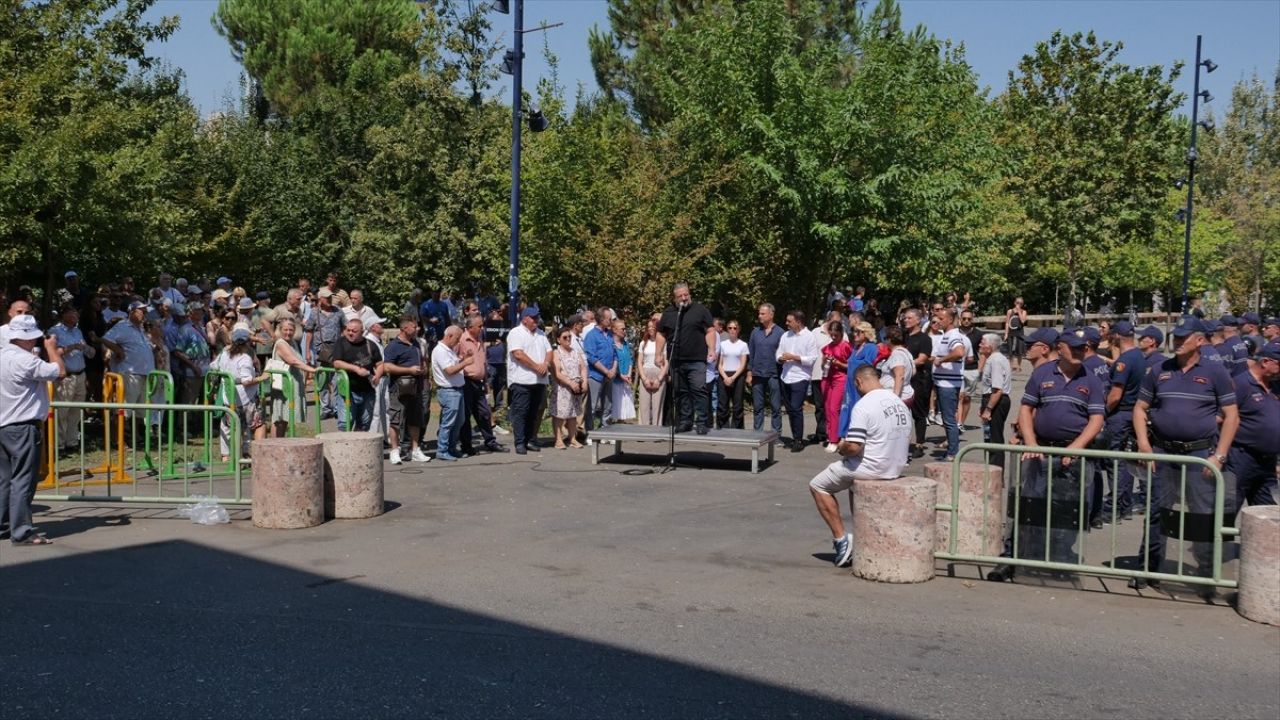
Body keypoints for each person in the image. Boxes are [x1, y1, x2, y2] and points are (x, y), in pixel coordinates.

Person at [1129, 319, 1238, 590]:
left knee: (1202, 514)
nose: (1177, 342)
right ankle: (1149, 567)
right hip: (1163, 454)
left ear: (1199, 341)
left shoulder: (1215, 372)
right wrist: (1144, 444)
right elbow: (1140, 408)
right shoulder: (1158, 370)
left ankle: (1205, 572)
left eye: (1183, 338)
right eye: (1175, 338)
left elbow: (1232, 416)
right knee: (1157, 511)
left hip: (1199, 456)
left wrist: (1219, 455)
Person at [987, 332, 1104, 582]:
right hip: (1040, 451)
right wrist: (1030, 442)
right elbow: (1027, 409)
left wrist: (1076, 447)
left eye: (1082, 348)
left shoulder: (1091, 380)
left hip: (1072, 456)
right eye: (1073, 348)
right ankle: (1013, 556)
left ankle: (1059, 558)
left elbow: (1096, 419)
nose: (1080, 352)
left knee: (1068, 509)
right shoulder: (1042, 374)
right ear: (1060, 348)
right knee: (1028, 504)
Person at [808, 365, 912, 567]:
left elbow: (854, 447)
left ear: (858, 382)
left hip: (872, 466)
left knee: (818, 485)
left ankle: (841, 539)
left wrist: (840, 446)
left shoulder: (864, 405)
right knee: (853, 484)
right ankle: (865, 536)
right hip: (896, 464)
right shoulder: (897, 401)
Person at [0, 316, 66, 545]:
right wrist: (51, 348)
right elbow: (59, 372)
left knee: (5, 479)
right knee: (23, 480)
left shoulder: (3, 355)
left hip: (4, 424)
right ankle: (22, 531)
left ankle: (4, 525)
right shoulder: (26, 360)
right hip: (23, 425)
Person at [1098, 321, 1145, 520]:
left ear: (1117, 335)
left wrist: (1103, 413)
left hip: (1119, 414)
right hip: (1130, 413)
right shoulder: (1139, 356)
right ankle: (1124, 506)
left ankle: (1113, 508)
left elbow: (1116, 394)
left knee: (1114, 461)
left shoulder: (1124, 361)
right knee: (1123, 461)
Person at [656, 283, 717, 434]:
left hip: (696, 359)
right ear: (674, 298)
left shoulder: (700, 310)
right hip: (676, 360)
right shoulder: (669, 313)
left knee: (698, 390)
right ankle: (685, 421)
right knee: (681, 392)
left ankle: (702, 422)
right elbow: (661, 334)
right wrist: (658, 353)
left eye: (686, 294)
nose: (684, 298)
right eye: (680, 296)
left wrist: (711, 348)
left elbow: (710, 330)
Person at [1226, 342, 1278, 515]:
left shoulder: (1274, 386)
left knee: (1270, 513)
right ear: (1265, 362)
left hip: (1267, 462)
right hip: (1241, 459)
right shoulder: (1240, 384)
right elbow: (1222, 419)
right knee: (1228, 509)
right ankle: (1221, 542)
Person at [210, 327, 267, 461]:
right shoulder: (245, 358)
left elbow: (213, 366)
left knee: (227, 426)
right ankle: (247, 455)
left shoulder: (224, 354)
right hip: (245, 397)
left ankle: (226, 456)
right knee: (250, 425)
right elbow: (247, 380)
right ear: (248, 342)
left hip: (228, 396)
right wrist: (262, 377)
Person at [100, 300, 156, 432]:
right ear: (132, 312)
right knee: (124, 409)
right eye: (142, 311)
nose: (145, 313)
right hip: (130, 373)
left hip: (144, 373)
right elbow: (106, 339)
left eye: (145, 311)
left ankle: (135, 437)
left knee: (140, 410)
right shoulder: (123, 326)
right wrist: (118, 350)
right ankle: (120, 439)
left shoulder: (141, 329)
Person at [382, 315, 432, 464]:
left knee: (415, 419)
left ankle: (415, 449)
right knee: (396, 420)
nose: (417, 329)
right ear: (404, 328)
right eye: (414, 326)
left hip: (416, 388)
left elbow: (422, 361)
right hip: (398, 389)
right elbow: (387, 367)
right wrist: (408, 370)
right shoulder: (393, 346)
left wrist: (422, 372)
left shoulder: (416, 343)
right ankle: (394, 450)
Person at [506, 308, 551, 455]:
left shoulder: (541, 333)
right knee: (521, 412)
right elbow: (518, 354)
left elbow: (549, 351)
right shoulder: (516, 333)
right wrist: (536, 366)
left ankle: (529, 439)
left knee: (533, 412)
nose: (536, 320)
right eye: (533, 318)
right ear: (524, 319)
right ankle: (520, 442)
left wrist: (545, 364)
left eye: (537, 318)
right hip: (521, 380)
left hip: (538, 381)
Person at [49, 306, 94, 450]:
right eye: (72, 313)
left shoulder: (78, 331)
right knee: (62, 412)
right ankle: (59, 445)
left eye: (76, 313)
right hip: (65, 377)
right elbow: (53, 352)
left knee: (76, 410)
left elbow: (86, 351)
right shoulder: (54, 331)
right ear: (64, 315)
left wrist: (88, 349)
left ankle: (72, 442)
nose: (76, 315)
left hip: (80, 375)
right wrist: (72, 347)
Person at [457, 315, 503, 454]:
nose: (482, 328)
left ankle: (490, 441)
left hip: (480, 382)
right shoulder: (461, 340)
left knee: (484, 413)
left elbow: (483, 362)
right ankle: (466, 445)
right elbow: (455, 360)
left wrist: (486, 381)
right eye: (479, 326)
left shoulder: (480, 340)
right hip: (466, 382)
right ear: (470, 327)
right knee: (466, 415)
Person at [776, 310, 819, 452]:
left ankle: (799, 440)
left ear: (798, 322)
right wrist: (780, 358)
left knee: (796, 407)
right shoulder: (785, 335)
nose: (786, 323)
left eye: (789, 321)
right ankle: (794, 438)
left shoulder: (809, 337)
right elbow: (778, 353)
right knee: (789, 409)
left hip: (801, 376)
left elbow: (812, 358)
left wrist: (795, 357)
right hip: (786, 376)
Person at [930, 308, 970, 461]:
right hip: (943, 382)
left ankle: (952, 453)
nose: (938, 321)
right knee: (947, 419)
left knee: (949, 420)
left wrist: (942, 360)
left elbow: (959, 352)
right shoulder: (946, 335)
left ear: (949, 320)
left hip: (948, 384)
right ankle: (951, 451)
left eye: (941, 318)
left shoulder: (953, 335)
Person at [330, 318, 383, 433]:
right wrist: (356, 369)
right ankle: (343, 448)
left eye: (354, 331)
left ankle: (358, 448)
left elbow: (380, 364)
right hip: (348, 390)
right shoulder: (341, 343)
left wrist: (377, 377)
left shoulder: (371, 345)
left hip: (367, 390)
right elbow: (337, 363)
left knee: (364, 423)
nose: (350, 333)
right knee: (345, 423)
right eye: (348, 330)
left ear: (362, 331)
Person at [167, 302, 211, 436]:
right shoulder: (185, 329)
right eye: (198, 311)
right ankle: (182, 428)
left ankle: (197, 427)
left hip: (205, 370)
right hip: (192, 371)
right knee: (188, 401)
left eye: (201, 311)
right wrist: (193, 366)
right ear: (190, 313)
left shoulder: (199, 327)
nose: (201, 313)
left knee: (202, 401)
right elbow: (178, 351)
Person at [266, 318, 315, 437]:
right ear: (280, 330)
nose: (288, 332)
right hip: (284, 385)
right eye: (285, 329)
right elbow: (292, 360)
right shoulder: (280, 343)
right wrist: (311, 369)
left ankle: (282, 444)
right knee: (279, 417)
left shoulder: (293, 342)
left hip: (293, 383)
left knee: (285, 417)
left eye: (291, 330)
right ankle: (275, 446)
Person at [305, 287, 346, 421]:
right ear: (320, 299)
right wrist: (307, 352)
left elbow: (345, 328)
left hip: (337, 349)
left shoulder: (338, 312)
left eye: (330, 297)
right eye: (326, 297)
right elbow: (309, 332)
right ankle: (325, 408)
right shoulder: (314, 313)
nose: (329, 300)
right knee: (322, 380)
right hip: (320, 350)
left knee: (336, 380)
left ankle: (336, 408)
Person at [431, 326, 470, 461]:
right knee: (448, 423)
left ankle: (451, 448)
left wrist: (462, 359)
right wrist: (465, 363)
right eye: (457, 338)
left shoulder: (449, 350)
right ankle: (442, 450)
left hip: (457, 390)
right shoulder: (440, 351)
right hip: (448, 391)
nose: (458, 342)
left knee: (459, 421)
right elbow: (449, 370)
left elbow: (453, 364)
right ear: (449, 336)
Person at [747, 303, 784, 435]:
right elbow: (751, 353)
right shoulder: (755, 332)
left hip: (774, 374)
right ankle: (758, 433)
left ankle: (776, 434)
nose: (759, 316)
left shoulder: (780, 333)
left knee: (775, 407)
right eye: (759, 313)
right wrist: (749, 372)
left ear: (771, 315)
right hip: (757, 374)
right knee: (758, 407)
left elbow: (783, 354)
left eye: (762, 314)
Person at [549, 324, 587, 448]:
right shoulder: (556, 353)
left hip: (576, 388)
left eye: (570, 337)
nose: (568, 339)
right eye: (565, 337)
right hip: (562, 388)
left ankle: (572, 438)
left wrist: (584, 381)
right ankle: (558, 439)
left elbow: (583, 368)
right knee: (560, 414)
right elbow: (557, 373)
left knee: (573, 414)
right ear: (558, 339)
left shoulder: (575, 352)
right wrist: (570, 383)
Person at [977, 333, 1011, 468]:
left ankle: (995, 471)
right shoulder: (992, 359)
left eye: (982, 343)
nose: (980, 345)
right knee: (988, 437)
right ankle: (990, 469)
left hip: (996, 401)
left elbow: (997, 389)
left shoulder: (995, 360)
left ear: (990, 346)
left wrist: (988, 409)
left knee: (994, 438)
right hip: (991, 399)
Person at [903, 308, 932, 459]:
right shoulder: (904, 337)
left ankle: (919, 444)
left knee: (918, 413)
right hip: (903, 380)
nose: (905, 320)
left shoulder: (924, 339)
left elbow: (922, 359)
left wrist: (904, 364)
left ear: (918, 320)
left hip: (918, 380)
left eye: (909, 318)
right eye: (905, 318)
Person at [820, 322, 853, 452]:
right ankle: (831, 435)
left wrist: (838, 363)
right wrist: (824, 362)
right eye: (831, 335)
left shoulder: (846, 346)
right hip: (827, 378)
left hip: (840, 379)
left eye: (836, 335)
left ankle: (835, 439)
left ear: (841, 333)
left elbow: (851, 365)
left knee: (834, 408)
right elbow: (823, 366)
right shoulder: (827, 347)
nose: (833, 337)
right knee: (827, 409)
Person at [583, 308, 617, 433]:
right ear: (601, 319)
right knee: (592, 407)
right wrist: (605, 371)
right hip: (595, 376)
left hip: (609, 375)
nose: (611, 321)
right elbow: (591, 357)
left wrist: (613, 369)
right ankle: (590, 433)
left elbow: (615, 354)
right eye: (609, 318)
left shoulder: (609, 334)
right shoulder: (591, 335)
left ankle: (605, 431)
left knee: (608, 406)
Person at [717, 320, 749, 430]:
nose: (732, 330)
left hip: (738, 375)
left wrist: (733, 377)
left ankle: (737, 428)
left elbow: (743, 364)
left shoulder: (743, 345)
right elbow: (719, 364)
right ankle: (723, 428)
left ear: (738, 330)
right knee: (722, 404)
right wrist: (725, 377)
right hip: (724, 375)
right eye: (730, 328)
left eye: (735, 328)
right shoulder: (722, 344)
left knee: (738, 404)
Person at [957, 309, 985, 430]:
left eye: (969, 319)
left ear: (972, 320)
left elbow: (983, 353)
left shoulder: (978, 334)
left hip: (972, 369)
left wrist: (979, 369)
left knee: (967, 398)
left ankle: (962, 422)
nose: (966, 321)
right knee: (959, 397)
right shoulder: (954, 333)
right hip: (956, 368)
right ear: (960, 319)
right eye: (964, 319)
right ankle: (957, 423)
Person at [637, 317, 667, 426]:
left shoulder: (663, 343)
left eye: (653, 327)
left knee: (657, 404)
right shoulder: (643, 343)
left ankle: (656, 429)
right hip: (645, 373)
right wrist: (644, 378)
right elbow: (640, 362)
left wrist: (659, 379)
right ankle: (643, 429)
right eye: (648, 327)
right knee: (644, 405)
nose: (651, 329)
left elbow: (666, 362)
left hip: (659, 373)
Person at [807, 317, 832, 444]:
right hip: (817, 373)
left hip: (834, 376)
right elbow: (809, 350)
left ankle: (831, 433)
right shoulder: (815, 332)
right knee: (819, 405)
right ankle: (821, 432)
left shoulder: (841, 332)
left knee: (831, 405)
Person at [611, 319, 636, 423]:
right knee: (615, 405)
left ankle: (620, 425)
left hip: (625, 379)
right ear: (615, 330)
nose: (625, 331)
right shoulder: (611, 344)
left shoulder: (625, 344)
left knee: (624, 408)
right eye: (623, 329)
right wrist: (620, 375)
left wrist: (629, 374)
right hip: (615, 380)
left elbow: (630, 360)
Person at [1005, 298, 1028, 372]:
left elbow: (1023, 321)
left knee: (1020, 351)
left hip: (1019, 333)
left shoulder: (1023, 312)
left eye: (1021, 303)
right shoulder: (1010, 311)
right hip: (1011, 332)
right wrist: (1006, 333)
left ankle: (1018, 366)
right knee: (1010, 350)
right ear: (1015, 303)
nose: (1019, 304)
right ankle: (1010, 365)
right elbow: (1007, 322)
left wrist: (1019, 312)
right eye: (1018, 303)